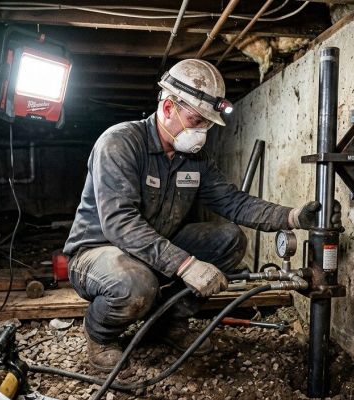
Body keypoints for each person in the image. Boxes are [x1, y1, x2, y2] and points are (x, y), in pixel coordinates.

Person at [64, 59, 319, 371]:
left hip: (157, 244)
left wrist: (291, 217)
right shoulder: (120, 143)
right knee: (136, 283)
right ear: (169, 108)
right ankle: (100, 335)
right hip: (98, 251)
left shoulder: (195, 159)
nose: (202, 132)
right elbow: (120, 223)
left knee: (229, 240)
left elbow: (233, 202)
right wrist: (185, 264)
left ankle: (169, 323)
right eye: (197, 120)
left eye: (207, 125)